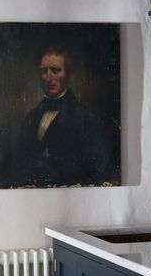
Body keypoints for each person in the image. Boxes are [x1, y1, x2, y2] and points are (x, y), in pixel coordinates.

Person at [12, 46, 120, 187]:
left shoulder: (87, 118)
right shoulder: (30, 118)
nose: (48, 77)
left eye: (55, 70)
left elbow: (95, 169)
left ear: (68, 74)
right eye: (44, 71)